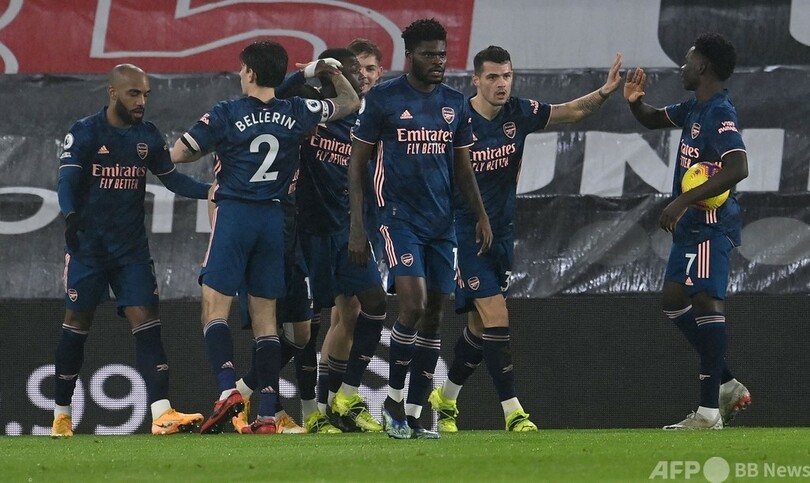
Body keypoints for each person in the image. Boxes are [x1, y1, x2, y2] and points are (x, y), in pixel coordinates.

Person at [428, 46, 622, 432]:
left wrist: (604, 91)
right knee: (497, 316)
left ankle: (445, 399)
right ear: (476, 80)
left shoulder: (518, 112)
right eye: (493, 77)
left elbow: (571, 111)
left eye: (507, 76)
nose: (502, 84)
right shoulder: (455, 120)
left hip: (501, 233)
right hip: (463, 233)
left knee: (480, 328)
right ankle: (513, 412)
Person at [171, 40, 360, 435]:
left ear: (251, 72)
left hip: (236, 214)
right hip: (274, 220)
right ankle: (269, 415)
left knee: (214, 308)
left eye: (243, 69)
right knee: (266, 321)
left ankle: (228, 390)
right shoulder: (298, 111)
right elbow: (349, 102)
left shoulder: (226, 112)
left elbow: (181, 153)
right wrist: (327, 72)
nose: (241, 75)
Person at [347, 18, 493, 439]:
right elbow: (356, 166)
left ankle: (413, 414)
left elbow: (463, 167)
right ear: (410, 56)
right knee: (412, 304)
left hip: (441, 224)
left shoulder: (454, 103)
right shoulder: (383, 99)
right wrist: (358, 226)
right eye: (429, 55)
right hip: (398, 219)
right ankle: (392, 402)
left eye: (442, 54)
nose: (439, 61)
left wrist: (480, 214)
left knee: (434, 314)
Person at [53, 64, 210, 437]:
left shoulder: (148, 136)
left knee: (147, 322)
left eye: (145, 95)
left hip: (131, 251)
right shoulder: (85, 132)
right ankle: (61, 415)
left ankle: (161, 414)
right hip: (88, 248)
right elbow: (66, 182)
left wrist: (214, 191)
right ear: (112, 93)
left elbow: (173, 180)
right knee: (77, 324)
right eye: (134, 94)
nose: (141, 102)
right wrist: (71, 216)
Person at [623, 32, 751, 429]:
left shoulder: (720, 112)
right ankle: (726, 382)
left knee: (706, 302)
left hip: (711, 226)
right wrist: (635, 103)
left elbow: (738, 167)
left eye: (687, 60)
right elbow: (652, 118)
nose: (682, 66)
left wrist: (681, 200)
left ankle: (709, 413)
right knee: (673, 300)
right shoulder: (695, 107)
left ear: (702, 67)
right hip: (691, 227)